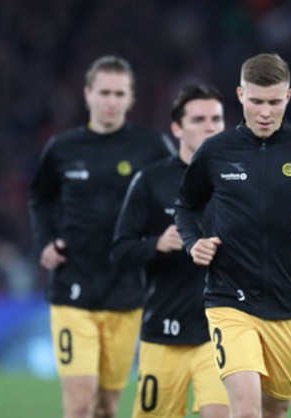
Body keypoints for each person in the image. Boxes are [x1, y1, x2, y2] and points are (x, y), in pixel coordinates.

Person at [28, 55, 175, 418]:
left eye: (119, 93)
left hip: (127, 292)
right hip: (72, 288)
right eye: (104, 92)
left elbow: (177, 192)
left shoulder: (151, 147)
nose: (111, 101)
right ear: (88, 94)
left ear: (131, 98)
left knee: (107, 406)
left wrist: (164, 240)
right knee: (80, 402)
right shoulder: (63, 148)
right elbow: (40, 197)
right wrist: (46, 241)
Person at [175, 53, 291, 418]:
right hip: (229, 300)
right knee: (246, 409)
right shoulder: (216, 151)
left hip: (288, 301)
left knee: (276, 409)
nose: (265, 112)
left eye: (274, 102)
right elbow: (186, 206)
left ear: (288, 97)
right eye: (256, 101)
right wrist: (193, 242)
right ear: (240, 95)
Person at [111, 84, 229, 418]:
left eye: (216, 119)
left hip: (222, 331)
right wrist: (157, 244)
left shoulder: (238, 179)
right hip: (164, 331)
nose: (209, 127)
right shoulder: (150, 181)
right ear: (177, 128)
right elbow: (120, 251)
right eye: (198, 120)